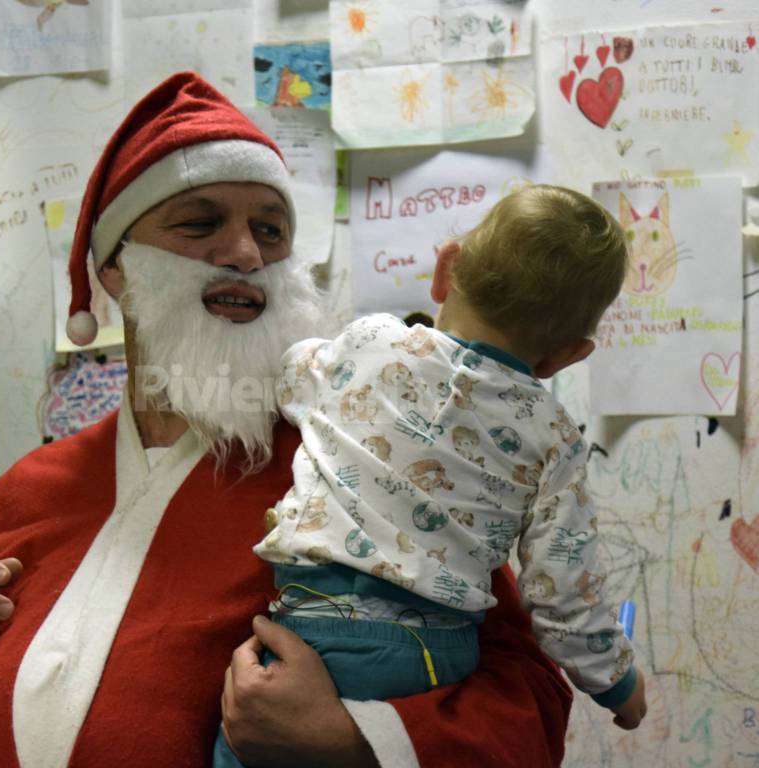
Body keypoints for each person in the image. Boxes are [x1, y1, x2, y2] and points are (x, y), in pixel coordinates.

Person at [0, 73, 573, 768]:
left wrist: (351, 741)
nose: (243, 254)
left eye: (270, 228)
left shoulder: (363, 452)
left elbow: (530, 693)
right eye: (201, 223)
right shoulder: (28, 487)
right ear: (115, 270)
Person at [212, 184, 647, 767]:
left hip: (314, 627)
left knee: (246, 748)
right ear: (567, 355)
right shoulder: (556, 440)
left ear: (444, 271)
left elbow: (290, 376)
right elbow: (562, 599)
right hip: (436, 657)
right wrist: (620, 687)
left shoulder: (369, 342)